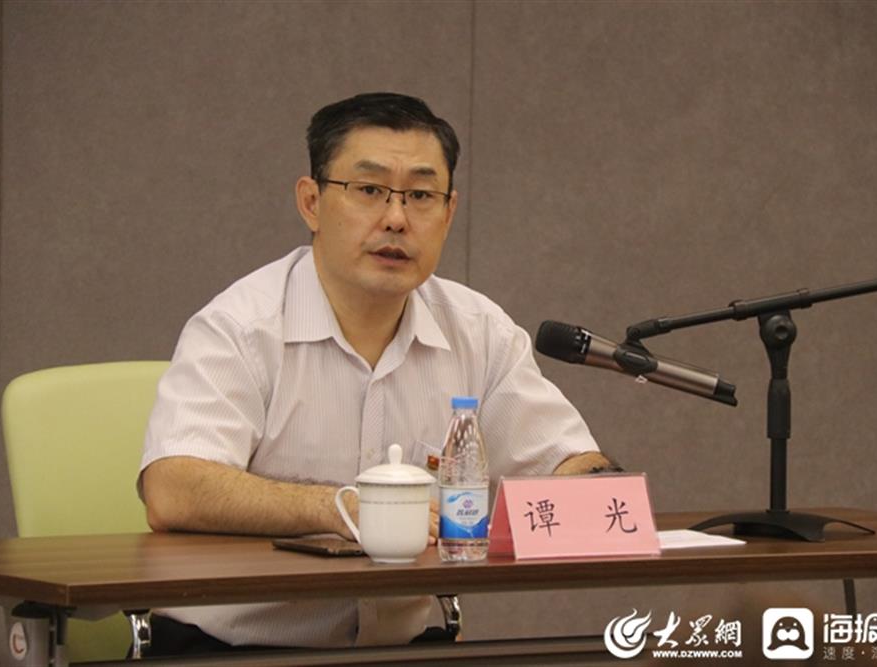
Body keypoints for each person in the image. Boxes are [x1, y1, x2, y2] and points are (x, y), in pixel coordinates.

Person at [138, 92, 616, 653]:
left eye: (421, 196)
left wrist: (590, 486)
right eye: (369, 190)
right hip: (230, 652)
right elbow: (174, 489)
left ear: (449, 213)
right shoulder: (239, 328)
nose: (396, 218)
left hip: (400, 649)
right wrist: (341, 509)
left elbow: (570, 463)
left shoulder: (479, 331)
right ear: (311, 202)